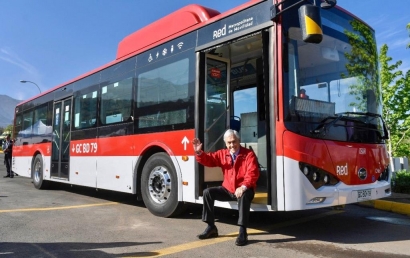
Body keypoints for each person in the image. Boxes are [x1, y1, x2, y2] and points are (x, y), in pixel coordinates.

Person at [192, 129, 260, 246]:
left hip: (245, 189)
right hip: (228, 189)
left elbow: (253, 173)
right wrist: (199, 153)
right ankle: (211, 227)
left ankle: (242, 231)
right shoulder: (223, 154)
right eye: (229, 143)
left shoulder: (248, 154)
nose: (232, 145)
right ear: (225, 143)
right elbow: (209, 160)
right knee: (207, 192)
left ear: (239, 141)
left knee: (244, 196)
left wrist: (243, 187)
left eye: (234, 141)